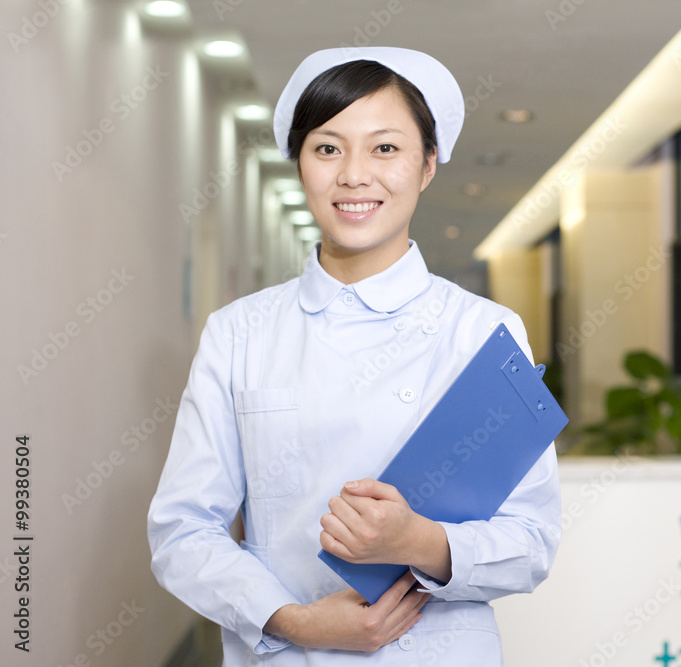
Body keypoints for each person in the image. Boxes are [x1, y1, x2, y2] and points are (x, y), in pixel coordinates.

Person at [147, 47, 561, 665]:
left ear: (428, 165)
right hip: (285, 652)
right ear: (300, 165)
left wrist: (418, 540)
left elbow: (531, 541)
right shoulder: (240, 332)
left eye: (386, 148)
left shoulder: (481, 331)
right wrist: (296, 621)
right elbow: (182, 531)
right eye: (328, 148)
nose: (354, 175)